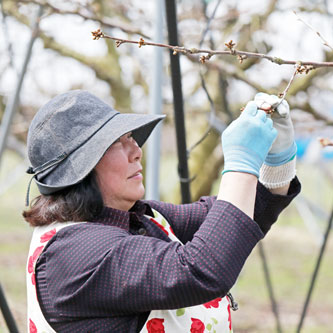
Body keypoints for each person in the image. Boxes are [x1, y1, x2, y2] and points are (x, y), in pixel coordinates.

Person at [23, 90, 300, 332]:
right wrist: (241, 162)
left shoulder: (136, 218)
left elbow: (234, 221)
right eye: (118, 142)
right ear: (80, 168)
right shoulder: (74, 255)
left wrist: (277, 163)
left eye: (131, 137)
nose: (136, 150)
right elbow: (199, 270)